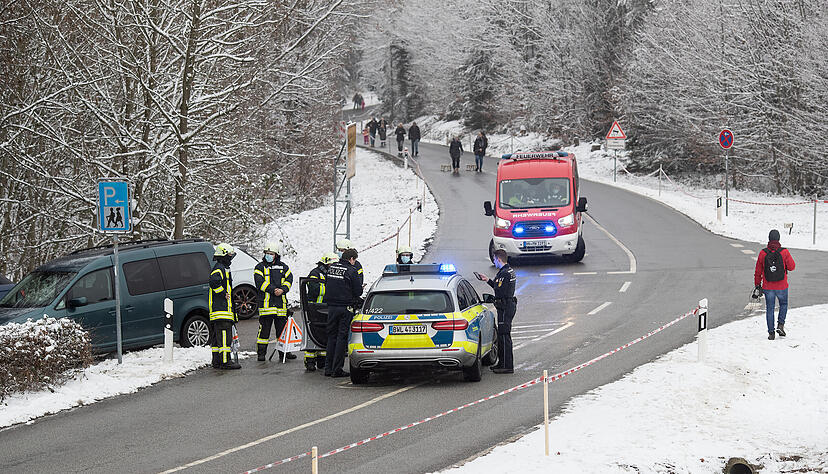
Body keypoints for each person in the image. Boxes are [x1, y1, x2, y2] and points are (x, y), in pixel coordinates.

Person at [323, 248, 362, 377]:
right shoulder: (351, 270)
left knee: (331, 337)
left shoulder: (332, 268)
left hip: (331, 308)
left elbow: (328, 284)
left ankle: (328, 368)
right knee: (341, 338)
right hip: (345, 308)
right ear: (351, 259)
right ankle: (337, 369)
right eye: (354, 260)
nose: (354, 262)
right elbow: (358, 292)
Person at [254, 242, 294, 361]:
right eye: (267, 253)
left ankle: (284, 353)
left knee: (282, 333)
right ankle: (261, 354)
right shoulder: (260, 267)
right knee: (264, 333)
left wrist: (283, 289)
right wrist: (273, 290)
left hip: (281, 306)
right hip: (266, 306)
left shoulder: (283, 267)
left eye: (271, 253)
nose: (268, 255)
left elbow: (289, 279)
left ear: (276, 255)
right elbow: (259, 282)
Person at [478, 249, 517, 374]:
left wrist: (494, 297)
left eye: (494, 259)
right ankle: (503, 363)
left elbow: (499, 291)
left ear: (499, 259)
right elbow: (498, 286)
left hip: (504, 307)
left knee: (504, 336)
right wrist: (488, 280)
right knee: (503, 335)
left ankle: (506, 365)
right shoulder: (508, 271)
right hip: (508, 305)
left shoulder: (504, 274)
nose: (494, 262)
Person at [754, 229, 796, 340]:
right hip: (782, 286)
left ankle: (771, 333)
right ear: (778, 239)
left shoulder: (763, 253)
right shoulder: (784, 252)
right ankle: (780, 325)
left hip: (768, 286)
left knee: (770, 309)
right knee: (783, 304)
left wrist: (757, 285)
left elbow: (758, 271)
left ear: (769, 238)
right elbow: (792, 267)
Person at [304, 252, 337, 371]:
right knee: (312, 334)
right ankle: (310, 360)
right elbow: (313, 288)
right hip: (314, 308)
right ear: (326, 263)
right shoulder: (315, 273)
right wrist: (330, 288)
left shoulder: (332, 274)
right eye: (332, 264)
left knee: (325, 334)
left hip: (327, 308)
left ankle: (322, 360)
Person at [209, 243, 241, 370]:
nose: (230, 258)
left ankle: (216, 361)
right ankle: (225, 361)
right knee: (224, 336)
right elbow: (213, 282)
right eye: (229, 255)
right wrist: (223, 293)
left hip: (221, 311)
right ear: (223, 255)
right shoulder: (219, 268)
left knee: (217, 338)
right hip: (221, 311)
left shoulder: (222, 268)